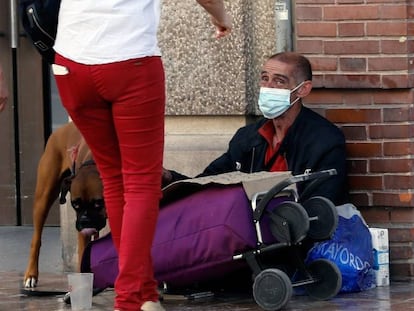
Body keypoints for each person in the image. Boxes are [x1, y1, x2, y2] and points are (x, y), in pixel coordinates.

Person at [52, 1, 232, 311]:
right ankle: (130, 300)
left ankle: (146, 292)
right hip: (130, 59)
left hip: (71, 63)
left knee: (115, 177)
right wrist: (222, 17)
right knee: (140, 183)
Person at [164, 52, 349, 206]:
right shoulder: (247, 137)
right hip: (248, 236)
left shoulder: (324, 141)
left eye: (279, 81)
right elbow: (207, 183)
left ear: (303, 89)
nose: (268, 87)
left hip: (292, 239)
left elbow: (322, 206)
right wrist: (169, 177)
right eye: (264, 78)